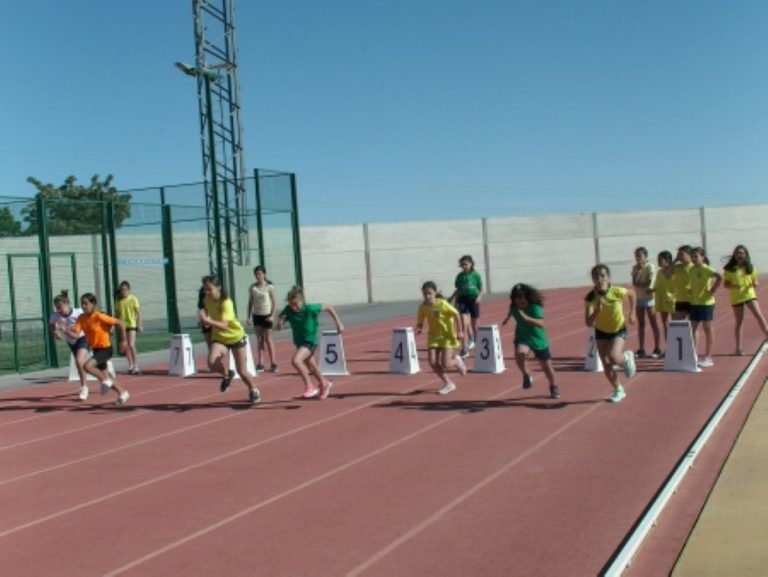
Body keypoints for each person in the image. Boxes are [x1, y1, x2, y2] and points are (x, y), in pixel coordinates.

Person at [198, 276, 261, 404]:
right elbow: (205, 313)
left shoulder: (226, 302)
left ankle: (253, 389)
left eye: (209, 289)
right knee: (211, 362)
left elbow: (225, 325)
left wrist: (208, 321)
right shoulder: (206, 300)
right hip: (220, 338)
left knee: (242, 371)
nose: (207, 292)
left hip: (235, 337)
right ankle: (227, 373)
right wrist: (203, 320)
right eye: (205, 290)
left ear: (218, 287)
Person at [276, 286, 343, 399]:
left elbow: (329, 307)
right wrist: (280, 323)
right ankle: (324, 383)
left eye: (296, 304)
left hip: (310, 340)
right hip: (299, 342)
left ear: (302, 301)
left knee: (296, 361)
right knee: (312, 367)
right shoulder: (288, 310)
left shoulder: (310, 308)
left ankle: (309, 386)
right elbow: (281, 320)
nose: (294, 307)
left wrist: (338, 323)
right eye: (291, 304)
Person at [584, 264, 636, 403]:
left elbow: (632, 294)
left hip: (618, 329)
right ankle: (618, 389)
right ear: (593, 279)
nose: (600, 280)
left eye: (603, 276)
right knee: (606, 362)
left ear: (608, 278)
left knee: (613, 356)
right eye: (596, 277)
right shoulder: (590, 297)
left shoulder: (616, 291)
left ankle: (626, 358)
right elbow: (588, 322)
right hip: (601, 331)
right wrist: (597, 311)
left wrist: (632, 313)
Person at [68, 293, 130, 406]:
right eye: (82, 304)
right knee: (106, 375)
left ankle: (105, 381)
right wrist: (64, 330)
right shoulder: (81, 318)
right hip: (96, 349)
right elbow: (76, 335)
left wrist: (124, 341)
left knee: (87, 366)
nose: (84, 306)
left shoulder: (99, 316)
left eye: (86, 303)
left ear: (93, 304)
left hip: (106, 349)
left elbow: (121, 323)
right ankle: (122, 392)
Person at [501, 283, 559, 400]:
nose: (520, 305)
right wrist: (507, 319)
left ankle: (553, 386)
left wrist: (526, 318)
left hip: (538, 339)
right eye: (517, 302)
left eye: (522, 302)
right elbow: (511, 310)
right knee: (520, 355)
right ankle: (527, 375)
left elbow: (541, 324)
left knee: (546, 367)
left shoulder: (535, 307)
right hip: (523, 336)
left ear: (527, 299)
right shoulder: (514, 306)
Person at [416, 281, 467, 395]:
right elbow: (420, 322)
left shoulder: (442, 304)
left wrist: (460, 331)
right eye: (425, 294)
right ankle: (448, 383)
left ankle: (457, 361)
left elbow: (456, 314)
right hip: (434, 337)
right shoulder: (423, 307)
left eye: (430, 293)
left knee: (446, 364)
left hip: (447, 336)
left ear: (435, 293)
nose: (427, 296)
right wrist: (419, 328)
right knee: (432, 362)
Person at [723, 245, 768, 355]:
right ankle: (738, 347)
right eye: (737, 253)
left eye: (742, 253)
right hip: (736, 297)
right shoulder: (729, 269)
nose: (739, 255)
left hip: (749, 295)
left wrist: (755, 283)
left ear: (746, 255)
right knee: (739, 321)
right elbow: (726, 284)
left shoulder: (750, 267)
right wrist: (733, 286)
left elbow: (755, 280)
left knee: (759, 316)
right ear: (734, 255)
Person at [48, 290, 90, 401]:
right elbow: (51, 324)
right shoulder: (55, 315)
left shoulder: (79, 312)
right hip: (71, 342)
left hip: (82, 338)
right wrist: (55, 332)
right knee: (80, 364)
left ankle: (84, 387)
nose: (59, 310)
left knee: (79, 361)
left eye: (60, 307)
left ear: (67, 304)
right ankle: (89, 377)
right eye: (57, 308)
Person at [688, 247, 723, 368]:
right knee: (692, 328)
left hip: (706, 303)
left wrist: (713, 290)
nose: (693, 258)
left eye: (696, 256)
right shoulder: (692, 269)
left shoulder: (706, 268)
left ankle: (708, 356)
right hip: (694, 302)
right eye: (692, 256)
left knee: (707, 328)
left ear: (702, 257)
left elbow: (719, 277)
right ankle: (693, 354)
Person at [450, 255, 483, 358]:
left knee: (475, 325)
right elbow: (458, 290)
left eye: (466, 264)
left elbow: (481, 289)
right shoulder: (459, 277)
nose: (464, 266)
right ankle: (464, 349)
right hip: (463, 300)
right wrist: (453, 300)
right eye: (462, 265)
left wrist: (479, 297)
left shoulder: (476, 275)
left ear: (471, 264)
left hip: (473, 299)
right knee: (464, 324)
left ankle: (478, 344)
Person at [631, 247, 661, 358]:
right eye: (636, 256)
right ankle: (641, 349)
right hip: (639, 297)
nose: (638, 258)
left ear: (645, 256)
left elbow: (649, 283)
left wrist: (641, 284)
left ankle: (657, 348)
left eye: (640, 256)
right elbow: (635, 282)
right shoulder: (635, 267)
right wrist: (638, 273)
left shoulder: (650, 267)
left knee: (653, 323)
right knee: (641, 324)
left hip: (649, 298)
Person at [246, 265, 278, 372]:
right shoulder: (253, 288)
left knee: (268, 339)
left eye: (259, 274)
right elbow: (250, 303)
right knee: (260, 339)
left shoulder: (269, 287)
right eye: (256, 274)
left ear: (264, 274)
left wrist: (272, 315)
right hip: (257, 315)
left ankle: (273, 362)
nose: (258, 276)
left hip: (267, 314)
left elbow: (274, 302)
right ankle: (260, 363)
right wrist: (249, 316)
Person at [114, 280, 142, 374]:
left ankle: (136, 365)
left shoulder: (133, 299)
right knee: (125, 346)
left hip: (132, 324)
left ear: (129, 290)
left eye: (125, 290)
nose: (123, 292)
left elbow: (138, 313)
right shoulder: (118, 302)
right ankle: (130, 365)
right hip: (123, 326)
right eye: (122, 290)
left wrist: (139, 324)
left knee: (131, 345)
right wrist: (116, 325)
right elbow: (117, 315)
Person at [653, 250, 676, 345]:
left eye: (660, 260)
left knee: (675, 323)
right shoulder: (659, 272)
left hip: (672, 300)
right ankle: (669, 345)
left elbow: (668, 277)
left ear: (667, 261)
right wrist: (652, 290)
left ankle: (676, 343)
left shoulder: (673, 271)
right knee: (665, 323)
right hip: (661, 300)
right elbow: (658, 285)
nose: (658, 261)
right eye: (658, 259)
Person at [672, 245, 694, 320]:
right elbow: (667, 274)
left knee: (692, 326)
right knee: (678, 324)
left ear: (689, 255)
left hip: (693, 300)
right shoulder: (677, 267)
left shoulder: (694, 267)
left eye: (681, 254)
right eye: (678, 255)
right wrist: (675, 260)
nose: (679, 257)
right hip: (680, 300)